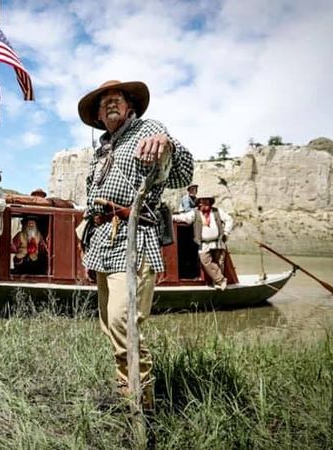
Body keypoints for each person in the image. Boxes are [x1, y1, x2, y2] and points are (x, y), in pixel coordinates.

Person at [78, 79, 194, 411]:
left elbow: (181, 172)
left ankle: (143, 405)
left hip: (134, 239)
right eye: (104, 102)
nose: (111, 104)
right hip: (102, 241)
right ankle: (125, 392)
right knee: (110, 326)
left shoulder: (148, 129)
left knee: (122, 322)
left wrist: (165, 145)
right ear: (99, 116)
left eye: (117, 99)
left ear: (130, 106)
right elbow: (91, 199)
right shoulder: (101, 151)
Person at [172, 194, 234, 290]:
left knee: (219, 263)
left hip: (218, 241)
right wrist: (171, 217)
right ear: (199, 203)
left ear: (210, 202)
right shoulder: (195, 213)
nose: (205, 203)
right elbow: (183, 218)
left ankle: (217, 283)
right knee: (205, 261)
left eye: (207, 201)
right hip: (204, 243)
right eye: (202, 201)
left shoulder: (217, 211)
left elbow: (229, 219)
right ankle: (221, 280)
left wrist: (226, 233)